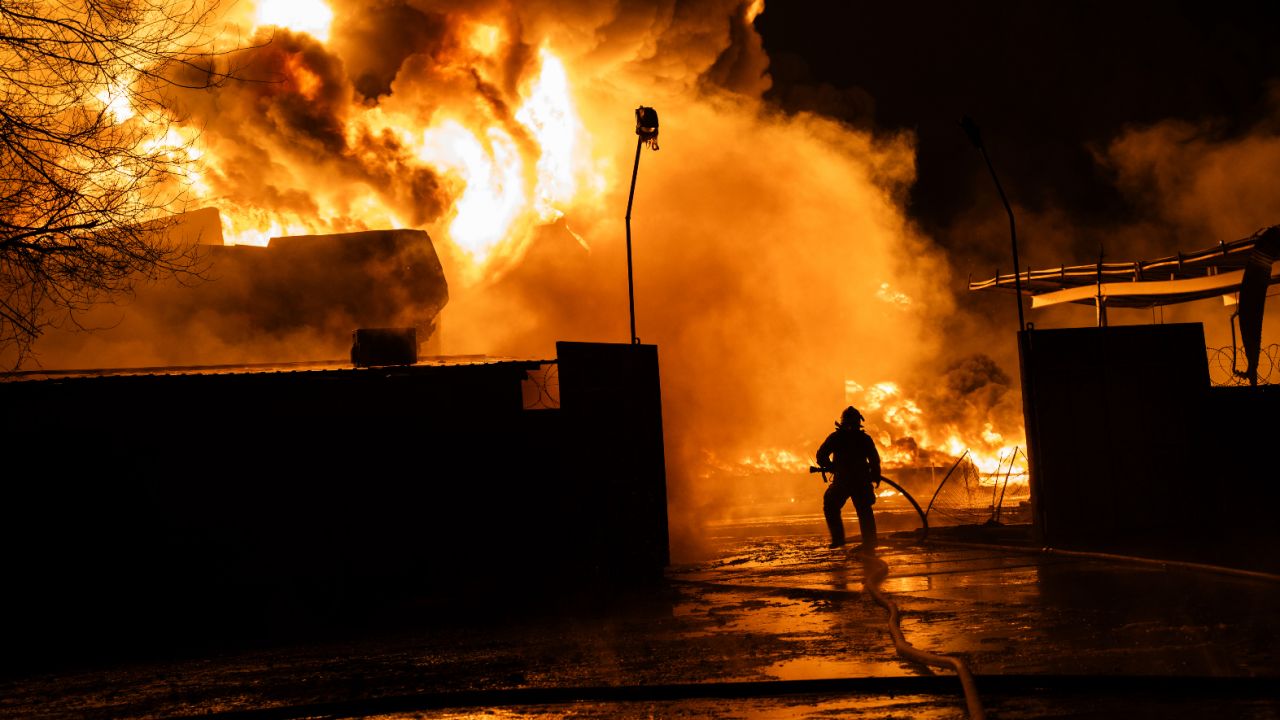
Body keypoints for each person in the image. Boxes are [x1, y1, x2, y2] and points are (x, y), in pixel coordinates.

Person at [816, 406, 881, 551]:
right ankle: (869, 542)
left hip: (844, 480)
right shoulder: (864, 439)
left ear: (842, 422)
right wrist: (875, 476)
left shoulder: (836, 437)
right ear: (859, 422)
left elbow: (821, 456)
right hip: (860, 480)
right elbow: (874, 460)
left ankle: (839, 539)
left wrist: (830, 466)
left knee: (831, 505)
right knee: (864, 510)